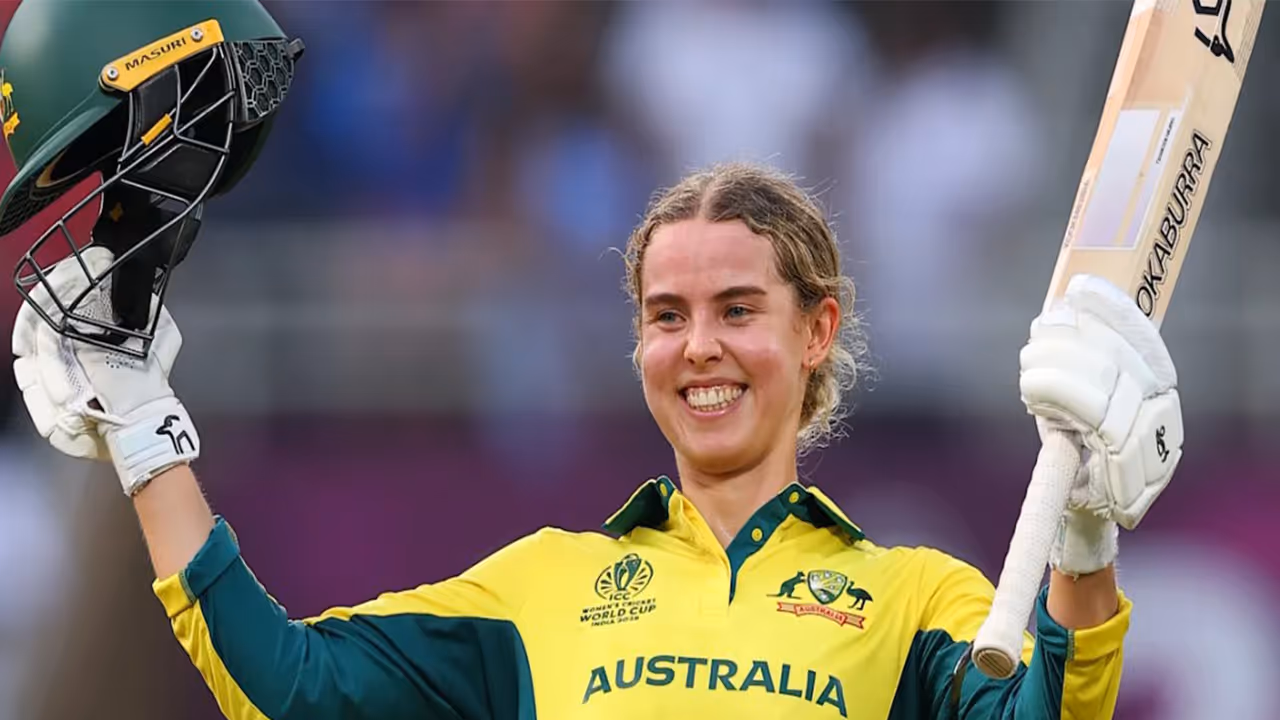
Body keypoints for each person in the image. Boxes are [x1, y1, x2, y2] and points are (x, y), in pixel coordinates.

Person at [4, 5, 1185, 720]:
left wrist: (1081, 542)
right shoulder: (536, 590)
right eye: (665, 314)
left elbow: (1042, 715)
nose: (699, 346)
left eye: (736, 308)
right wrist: (138, 414)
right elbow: (288, 687)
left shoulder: (915, 597)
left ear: (814, 332)